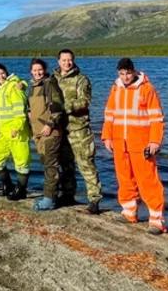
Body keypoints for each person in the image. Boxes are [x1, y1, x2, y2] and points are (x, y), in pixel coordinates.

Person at [102, 57, 166, 234]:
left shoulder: (147, 89)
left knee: (148, 181)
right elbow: (110, 114)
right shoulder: (116, 88)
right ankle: (129, 211)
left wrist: (155, 141)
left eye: (128, 73)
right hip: (119, 142)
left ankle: (157, 220)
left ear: (134, 71)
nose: (125, 77)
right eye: (122, 74)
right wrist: (107, 136)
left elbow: (157, 118)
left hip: (141, 143)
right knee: (124, 178)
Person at [53, 49, 103, 214]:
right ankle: (67, 195)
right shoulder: (52, 80)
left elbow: (85, 101)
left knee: (86, 164)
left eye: (70, 60)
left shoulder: (81, 80)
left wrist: (65, 107)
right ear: (58, 61)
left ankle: (94, 200)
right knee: (65, 165)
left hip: (79, 129)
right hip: (60, 130)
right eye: (64, 60)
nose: (67, 63)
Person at [27, 58, 66, 211]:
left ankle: (49, 199)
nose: (38, 72)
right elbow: (32, 108)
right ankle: (52, 195)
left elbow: (57, 108)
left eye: (40, 69)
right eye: (35, 70)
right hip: (38, 133)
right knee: (46, 164)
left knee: (51, 165)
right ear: (31, 71)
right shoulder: (32, 87)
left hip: (51, 132)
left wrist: (50, 125)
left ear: (44, 70)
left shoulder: (50, 84)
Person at [0, 63, 31, 201]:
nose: (1, 76)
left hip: (16, 131)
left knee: (21, 161)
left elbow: (19, 109)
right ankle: (7, 185)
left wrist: (16, 127)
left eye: (2, 73)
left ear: (6, 73)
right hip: (2, 132)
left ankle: (21, 190)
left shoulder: (13, 86)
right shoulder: (0, 90)